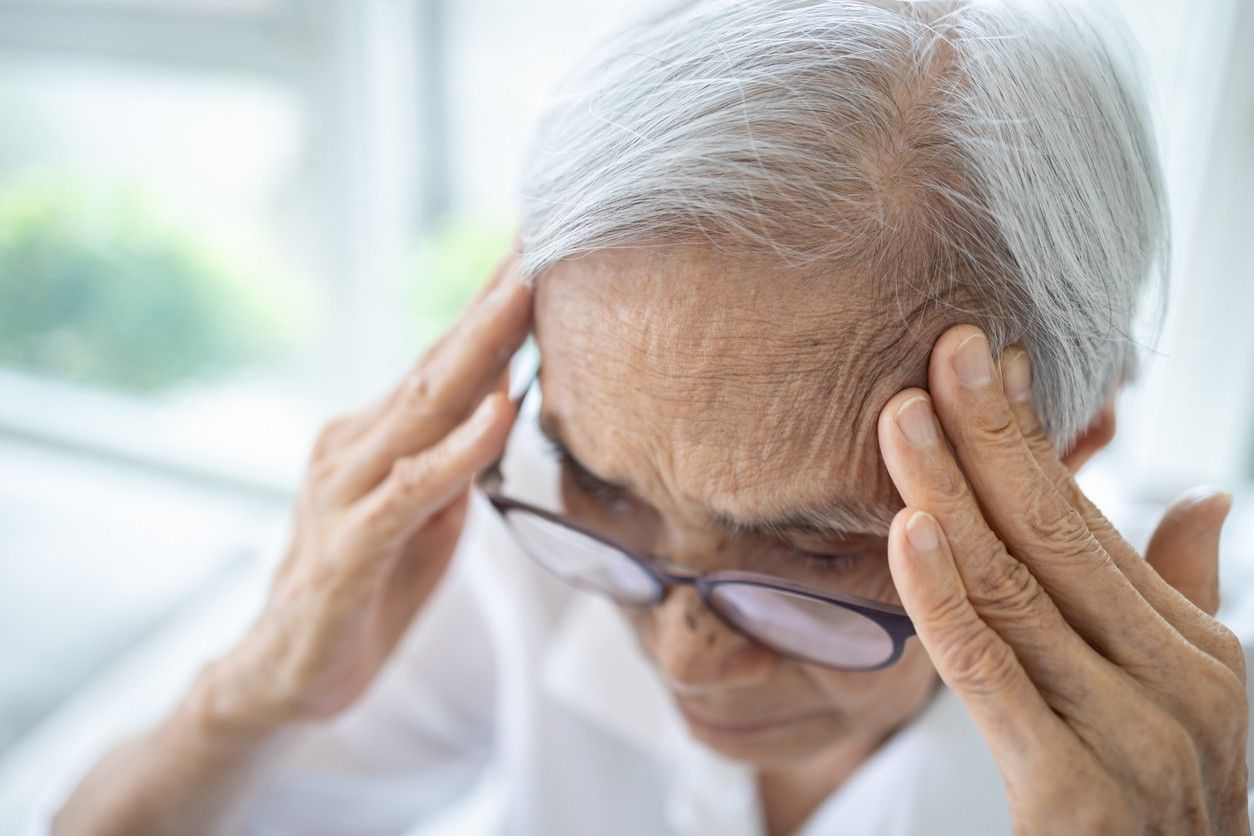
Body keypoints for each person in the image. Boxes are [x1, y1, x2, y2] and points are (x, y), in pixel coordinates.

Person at [48, 1, 1252, 834]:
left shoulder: (1202, 763)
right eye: (602, 478)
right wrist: (247, 691)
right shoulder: (530, 551)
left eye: (816, 545)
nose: (683, 649)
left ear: (1073, 438)